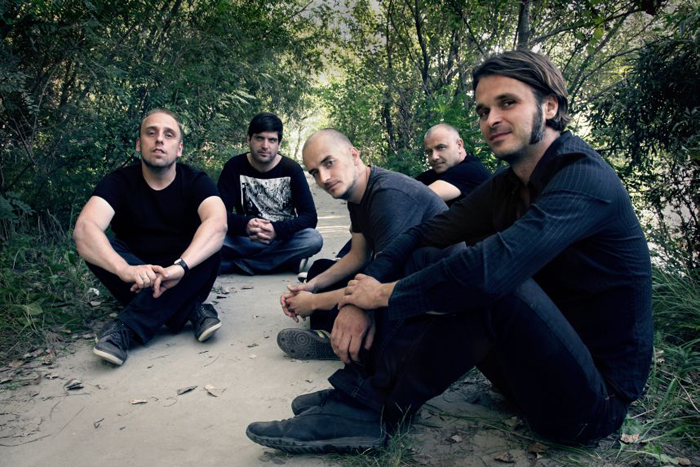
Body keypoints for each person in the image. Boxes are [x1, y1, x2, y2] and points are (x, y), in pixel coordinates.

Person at [246, 51, 653, 452]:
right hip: (527, 371)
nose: (491, 119)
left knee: (488, 280)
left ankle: (367, 408)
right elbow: (422, 233)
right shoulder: (510, 183)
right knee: (430, 256)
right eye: (483, 110)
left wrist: (383, 294)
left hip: (590, 404)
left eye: (507, 103)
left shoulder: (584, 179)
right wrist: (361, 294)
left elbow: (489, 273)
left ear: (549, 107)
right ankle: (362, 395)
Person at [275, 129, 457, 360]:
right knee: (320, 270)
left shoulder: (388, 194)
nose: (324, 178)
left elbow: (382, 278)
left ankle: (347, 340)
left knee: (361, 300)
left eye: (329, 163)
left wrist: (314, 302)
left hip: (431, 294)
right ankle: (338, 334)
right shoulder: (356, 195)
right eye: (315, 172)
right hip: (396, 276)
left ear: (354, 155)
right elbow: (358, 255)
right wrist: (311, 287)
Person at [73, 109, 227, 366]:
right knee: (98, 244)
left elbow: (218, 224)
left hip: (184, 271)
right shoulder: (118, 182)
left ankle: (126, 328)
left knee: (210, 243)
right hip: (136, 276)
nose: (159, 140)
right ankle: (189, 309)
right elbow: (84, 229)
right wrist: (124, 269)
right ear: (139, 144)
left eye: (169, 135)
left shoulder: (196, 181)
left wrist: (180, 267)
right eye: (151, 133)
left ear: (179, 149)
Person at [217, 112, 322, 275]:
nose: (265, 145)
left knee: (313, 239)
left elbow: (309, 216)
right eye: (259, 138)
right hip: (246, 238)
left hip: (282, 239)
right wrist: (245, 225)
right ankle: (282, 261)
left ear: (279, 143)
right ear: (249, 139)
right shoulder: (234, 167)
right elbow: (219, 214)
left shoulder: (291, 169)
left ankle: (236, 265)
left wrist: (276, 230)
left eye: (272, 140)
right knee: (209, 235)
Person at [417, 123, 491, 205]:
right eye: (429, 152)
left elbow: (419, 199)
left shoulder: (471, 170)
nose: (434, 157)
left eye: (441, 147)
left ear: (459, 145)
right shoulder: (432, 175)